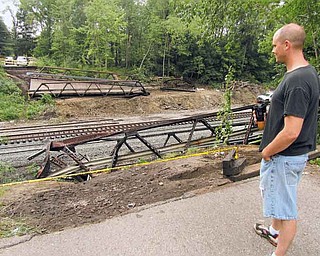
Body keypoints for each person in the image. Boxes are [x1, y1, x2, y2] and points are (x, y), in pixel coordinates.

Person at [254, 23, 320, 256]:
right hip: (288, 156)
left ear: (286, 45)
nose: (273, 50)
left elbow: (292, 131)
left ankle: (278, 254)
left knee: (285, 209)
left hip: (284, 156)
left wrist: (267, 151)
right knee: (278, 198)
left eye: (274, 46)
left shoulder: (297, 81)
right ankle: (273, 231)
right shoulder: (304, 73)